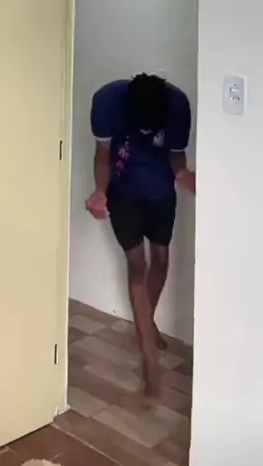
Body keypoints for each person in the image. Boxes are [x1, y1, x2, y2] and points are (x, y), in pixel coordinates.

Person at [85, 73, 195, 395]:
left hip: (161, 193)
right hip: (123, 193)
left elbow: (175, 153)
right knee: (137, 265)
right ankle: (148, 356)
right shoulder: (107, 101)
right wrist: (100, 191)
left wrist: (182, 173)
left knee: (161, 260)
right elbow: (102, 155)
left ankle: (146, 323)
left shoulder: (177, 105)